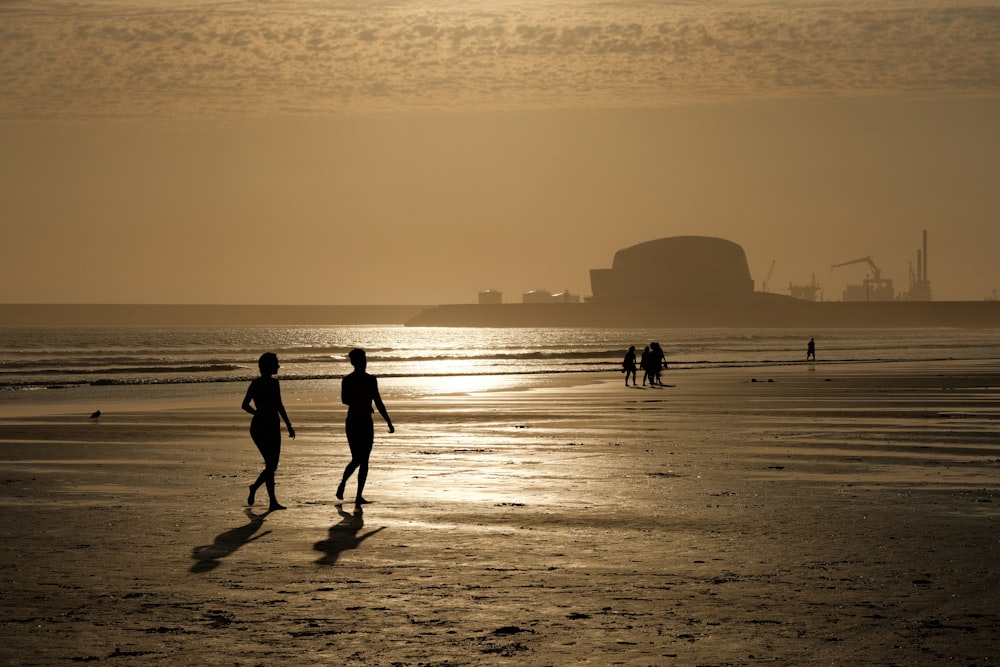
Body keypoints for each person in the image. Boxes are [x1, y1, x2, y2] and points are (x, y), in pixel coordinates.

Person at [336, 348, 394, 505]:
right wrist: (362, 403)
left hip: (367, 422)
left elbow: (378, 401)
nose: (364, 362)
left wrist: (388, 420)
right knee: (357, 459)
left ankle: (358, 495)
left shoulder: (371, 379)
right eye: (361, 359)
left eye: (365, 359)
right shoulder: (347, 380)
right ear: (354, 362)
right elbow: (344, 400)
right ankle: (342, 483)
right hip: (354, 421)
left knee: (365, 460)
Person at [242, 352, 295, 511]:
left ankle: (271, 500)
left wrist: (288, 425)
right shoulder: (261, 383)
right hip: (262, 426)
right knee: (271, 465)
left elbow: (279, 405)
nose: (278, 366)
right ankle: (257, 489)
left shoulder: (271, 383)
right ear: (268, 365)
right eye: (276, 363)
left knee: (272, 465)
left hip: (270, 425)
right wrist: (257, 413)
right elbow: (245, 404)